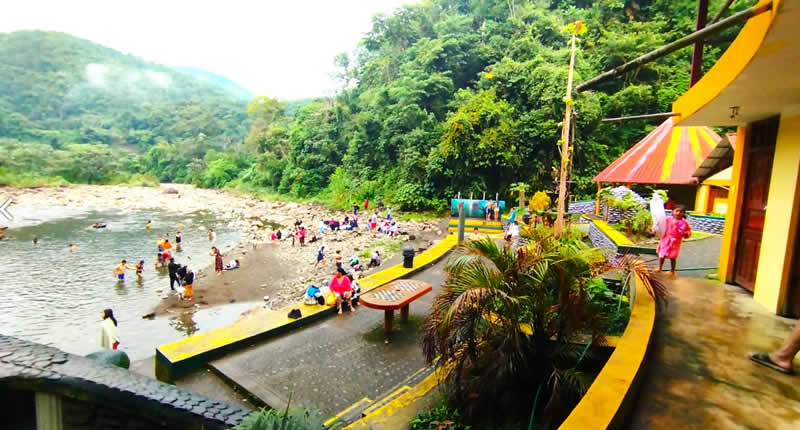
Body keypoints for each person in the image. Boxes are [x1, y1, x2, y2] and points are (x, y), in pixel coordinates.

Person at [655, 205, 691, 276]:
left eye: (681, 211)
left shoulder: (684, 223)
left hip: (675, 242)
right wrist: (655, 229)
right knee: (662, 255)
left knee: (673, 256)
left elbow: (688, 231)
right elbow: (660, 225)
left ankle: (672, 271)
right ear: (672, 212)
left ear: (683, 213)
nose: (678, 213)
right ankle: (659, 268)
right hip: (665, 240)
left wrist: (686, 234)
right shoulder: (667, 219)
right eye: (676, 211)